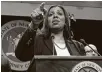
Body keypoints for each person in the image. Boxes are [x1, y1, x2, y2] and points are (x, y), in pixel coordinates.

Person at [15, 2, 86, 61]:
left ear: (65, 21)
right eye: (51, 14)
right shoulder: (39, 41)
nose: (55, 16)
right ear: (47, 22)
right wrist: (34, 25)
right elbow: (21, 54)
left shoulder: (78, 46)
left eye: (59, 14)